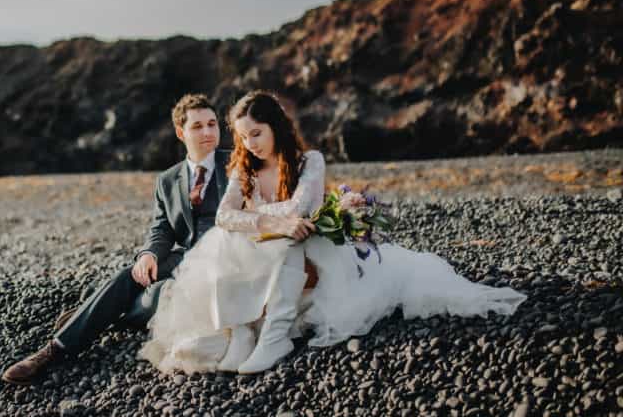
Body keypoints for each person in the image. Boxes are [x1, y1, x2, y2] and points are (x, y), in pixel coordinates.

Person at [140, 90, 527, 375]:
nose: (248, 144)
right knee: (235, 238)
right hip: (263, 254)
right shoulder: (244, 169)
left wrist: (263, 216)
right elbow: (225, 217)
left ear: (275, 127)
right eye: (241, 137)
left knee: (294, 235)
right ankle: (242, 331)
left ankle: (275, 334)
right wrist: (267, 220)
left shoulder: (310, 161)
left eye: (255, 134)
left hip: (311, 255)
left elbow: (302, 210)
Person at [2, 93, 229, 385]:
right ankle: (52, 350)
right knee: (131, 275)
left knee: (164, 294)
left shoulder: (236, 165)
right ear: (180, 132)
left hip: (222, 260)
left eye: (212, 124)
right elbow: (162, 228)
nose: (208, 132)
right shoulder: (167, 180)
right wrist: (148, 254)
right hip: (184, 258)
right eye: (197, 126)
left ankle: (100, 314)